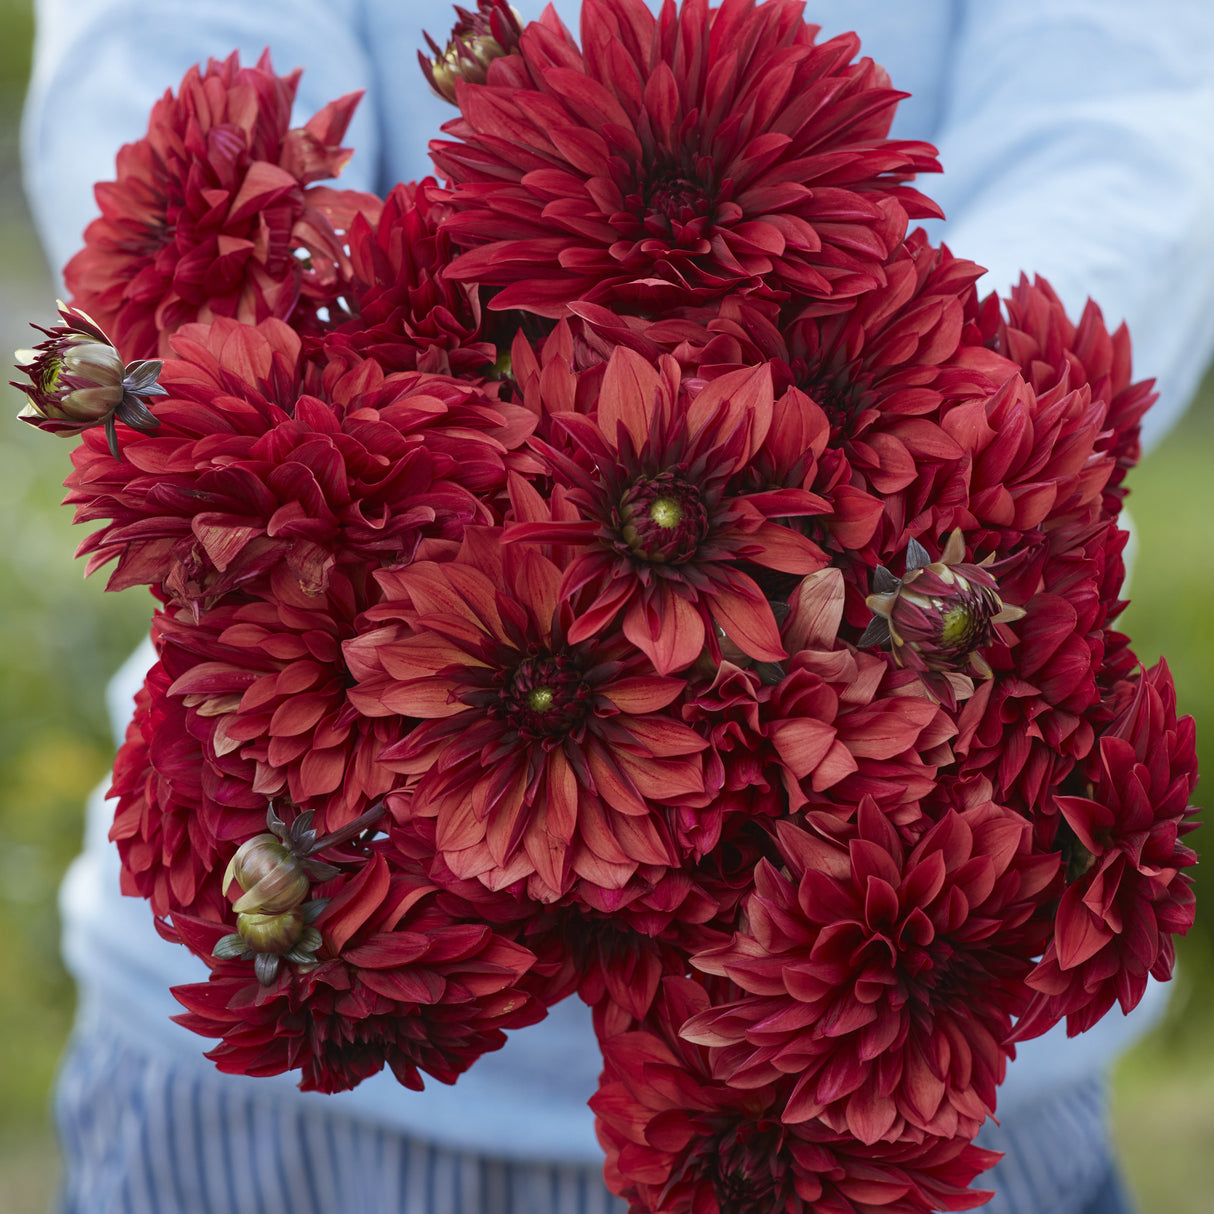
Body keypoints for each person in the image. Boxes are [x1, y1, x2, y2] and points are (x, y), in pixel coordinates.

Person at [21, 2, 1214, 1212]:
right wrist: (307, 369)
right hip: (287, 1091)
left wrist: (957, 383)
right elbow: (155, 57)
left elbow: (1120, 113)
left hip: (880, 1093)